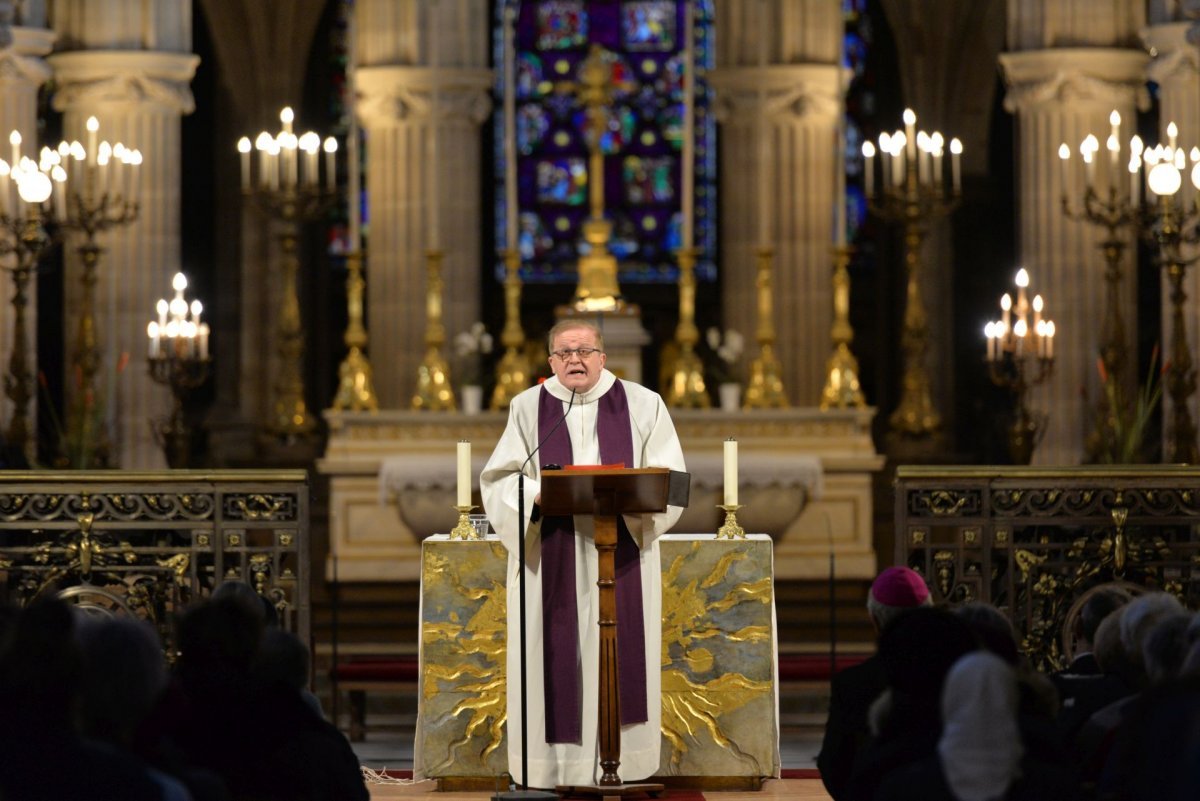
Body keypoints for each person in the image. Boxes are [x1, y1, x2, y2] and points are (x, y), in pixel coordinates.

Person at [480, 319, 686, 789]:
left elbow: (671, 479)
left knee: (620, 653)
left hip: (622, 550)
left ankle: (623, 764)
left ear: (602, 357)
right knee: (554, 653)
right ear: (551, 361)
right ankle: (557, 768)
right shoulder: (528, 406)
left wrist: (636, 509)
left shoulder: (643, 403)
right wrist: (533, 494)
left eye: (584, 350)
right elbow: (499, 479)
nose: (575, 359)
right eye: (564, 352)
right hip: (553, 552)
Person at [817, 566, 932, 800]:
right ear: (929, 613)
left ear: (874, 620)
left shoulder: (852, 684)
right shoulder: (954, 675)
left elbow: (833, 765)